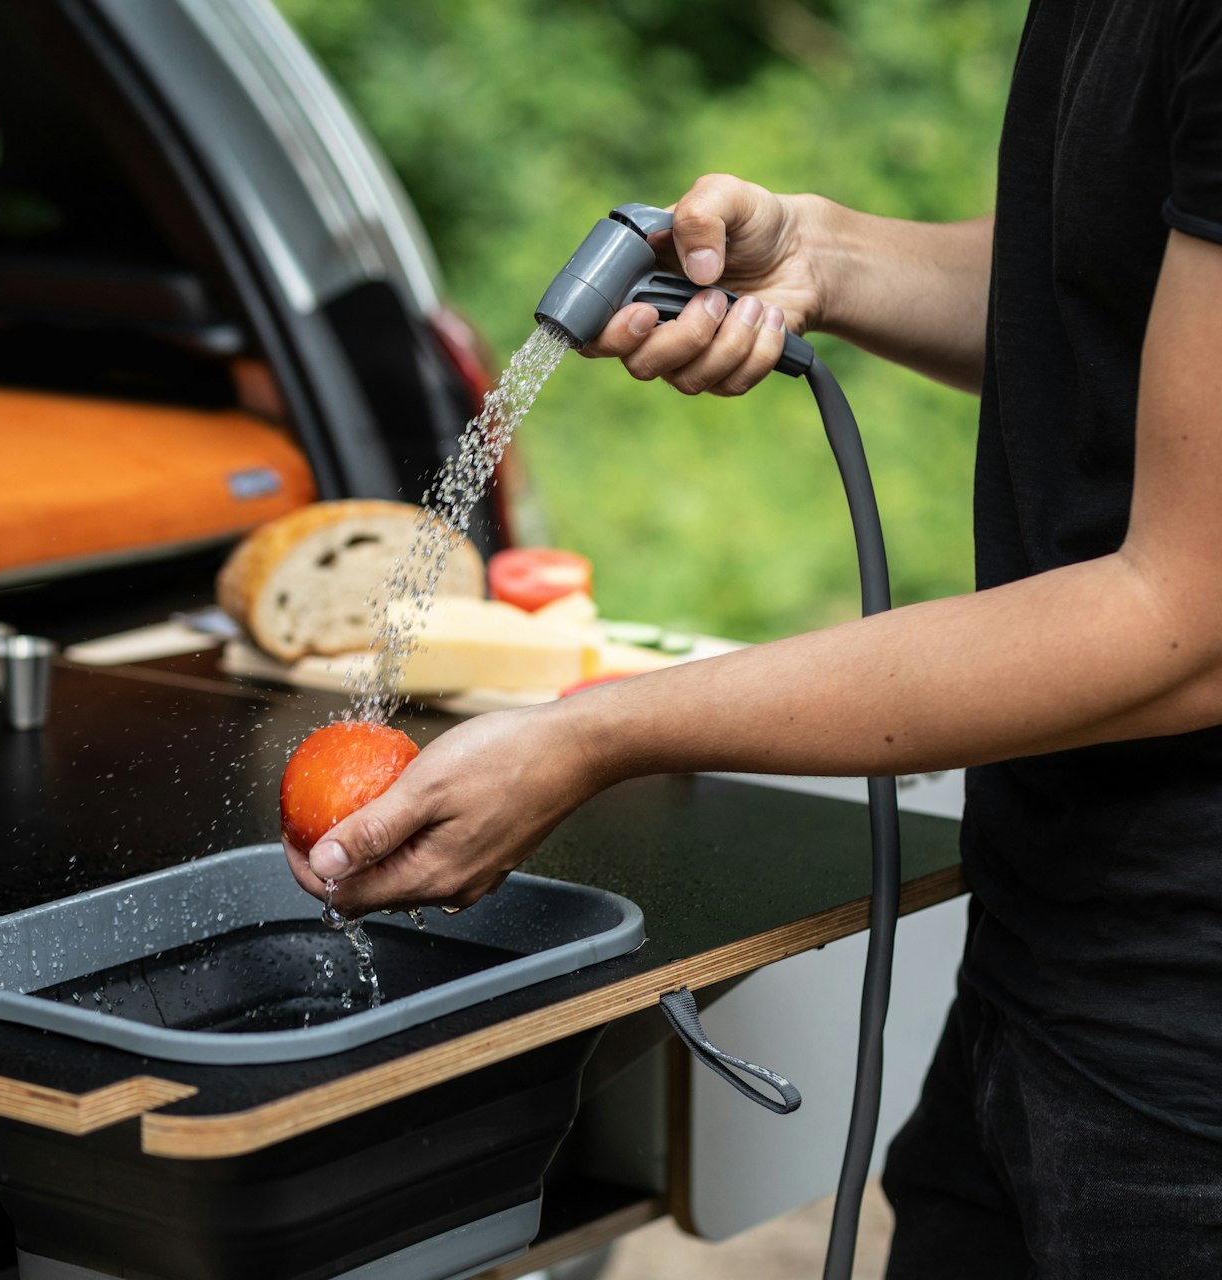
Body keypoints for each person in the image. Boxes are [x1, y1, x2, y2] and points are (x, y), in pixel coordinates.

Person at [284, 2, 1222, 1274]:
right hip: (1053, 946)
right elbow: (1111, 291)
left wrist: (598, 734)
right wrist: (827, 256)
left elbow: (1186, 622)